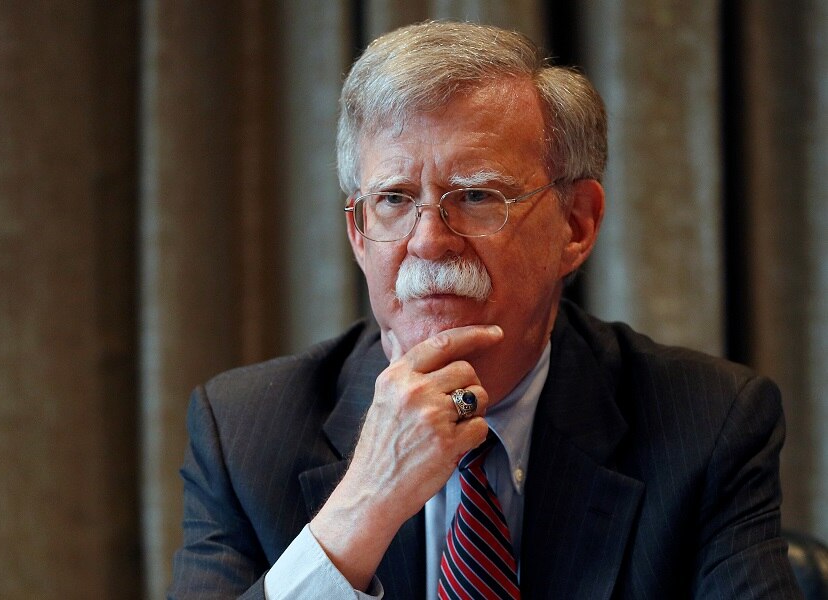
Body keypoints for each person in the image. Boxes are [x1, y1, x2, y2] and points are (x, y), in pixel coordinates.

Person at [168, 20, 801, 599]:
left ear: (576, 225)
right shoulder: (245, 432)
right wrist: (362, 508)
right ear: (358, 236)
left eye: (475, 196)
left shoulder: (707, 423)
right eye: (393, 199)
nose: (427, 240)